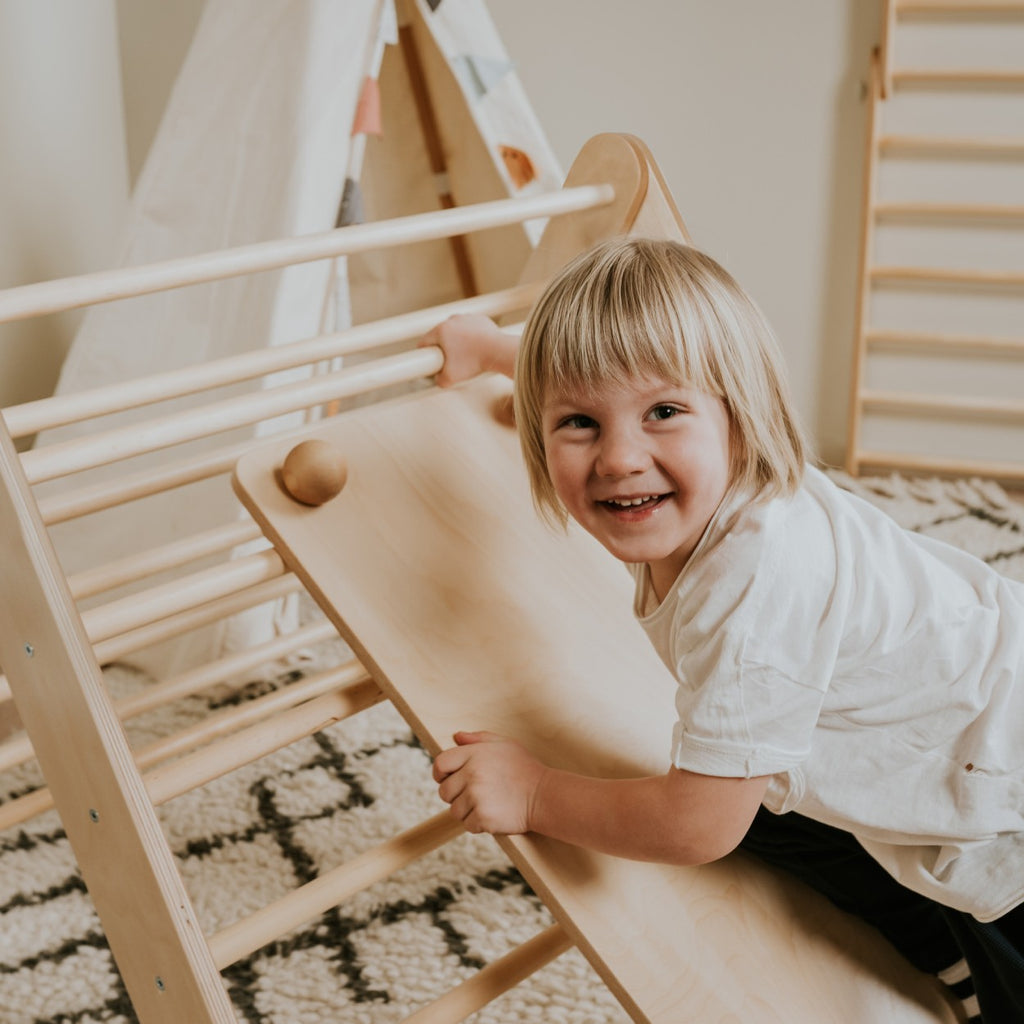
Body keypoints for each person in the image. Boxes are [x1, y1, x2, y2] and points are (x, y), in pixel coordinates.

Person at [421, 237, 1024, 1023]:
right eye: (578, 422)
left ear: (743, 418)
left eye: (664, 414)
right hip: (965, 705)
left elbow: (695, 826)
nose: (619, 457)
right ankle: (939, 948)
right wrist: (499, 350)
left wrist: (536, 793)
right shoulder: (720, 481)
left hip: (1004, 802)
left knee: (731, 804)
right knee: (770, 806)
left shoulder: (754, 594)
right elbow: (605, 378)